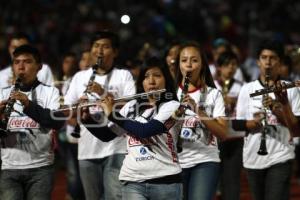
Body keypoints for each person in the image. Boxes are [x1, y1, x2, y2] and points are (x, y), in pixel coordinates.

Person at [83, 57, 183, 200]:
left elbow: (145, 130)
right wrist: (86, 119)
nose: (151, 81)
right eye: (146, 76)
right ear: (142, 82)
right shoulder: (132, 105)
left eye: (157, 75)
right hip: (132, 181)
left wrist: (112, 114)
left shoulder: (173, 106)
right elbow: (107, 135)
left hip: (166, 180)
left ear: (166, 79)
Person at [64, 30, 136, 200]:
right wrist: (78, 107)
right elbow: (67, 109)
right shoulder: (80, 77)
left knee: (115, 197)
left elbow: (130, 107)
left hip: (116, 146)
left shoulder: (123, 75)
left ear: (115, 52)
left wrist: (103, 93)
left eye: (105, 46)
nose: (100, 51)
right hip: (87, 149)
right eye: (96, 46)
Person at [236, 39, 300, 200]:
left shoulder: (291, 89)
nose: (268, 62)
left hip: (281, 156)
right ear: (258, 62)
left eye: (273, 58)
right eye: (264, 57)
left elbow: (296, 129)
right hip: (253, 158)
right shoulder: (246, 89)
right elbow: (238, 126)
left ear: (279, 62)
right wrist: (251, 123)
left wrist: (278, 108)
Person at [0, 44, 65, 200]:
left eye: (27, 62)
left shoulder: (51, 92)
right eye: (17, 62)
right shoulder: (2, 92)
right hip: (8, 167)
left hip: (41, 168)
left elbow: (56, 122)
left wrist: (29, 105)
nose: (21, 67)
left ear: (39, 67)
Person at [175, 41, 228, 200]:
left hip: (205, 160)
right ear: (179, 65)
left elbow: (223, 133)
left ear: (203, 65)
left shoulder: (213, 94)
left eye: (194, 60)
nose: (189, 65)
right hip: (175, 163)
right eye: (184, 60)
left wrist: (197, 109)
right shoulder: (170, 94)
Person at [214, 50, 244, 200]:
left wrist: (235, 102)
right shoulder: (212, 86)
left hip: (235, 137)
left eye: (234, 64)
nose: (231, 68)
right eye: (226, 65)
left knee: (232, 179)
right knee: (214, 179)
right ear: (219, 67)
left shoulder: (242, 87)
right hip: (215, 138)